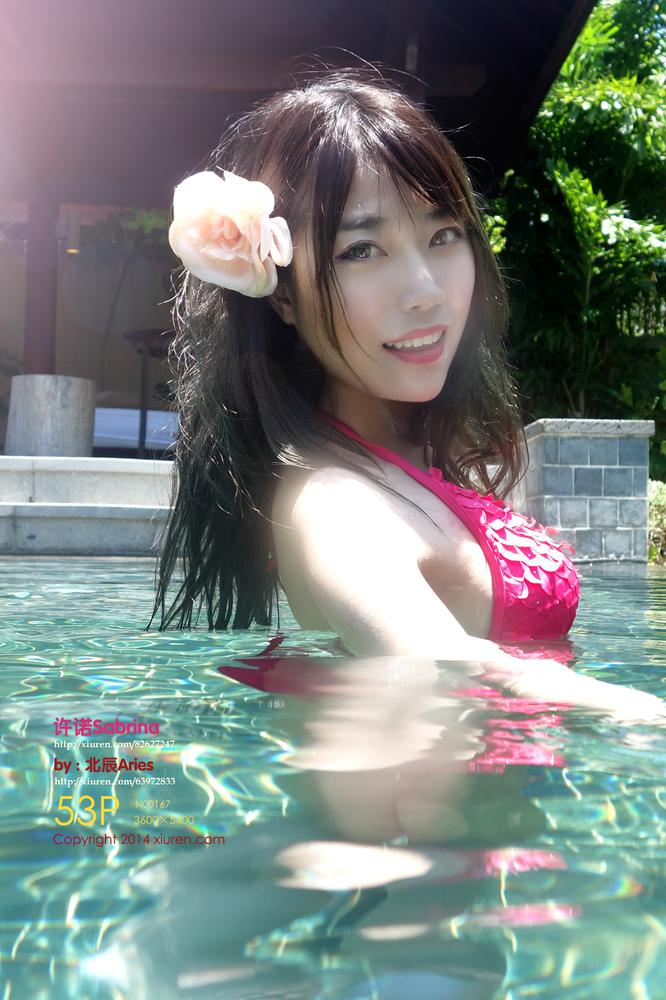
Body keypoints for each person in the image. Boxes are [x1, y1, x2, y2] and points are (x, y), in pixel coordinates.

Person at [147, 65, 666, 723]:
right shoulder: (336, 505)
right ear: (282, 296)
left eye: (443, 235)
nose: (425, 291)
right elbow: (452, 668)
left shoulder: (406, 455)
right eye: (362, 250)